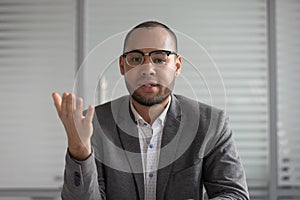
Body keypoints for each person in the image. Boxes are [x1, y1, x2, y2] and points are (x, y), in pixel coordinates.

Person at [52, 21, 249, 200]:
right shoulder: (95, 124)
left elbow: (234, 194)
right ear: (122, 66)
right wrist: (79, 153)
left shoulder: (211, 122)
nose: (148, 69)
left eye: (159, 59)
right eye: (136, 59)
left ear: (177, 65)